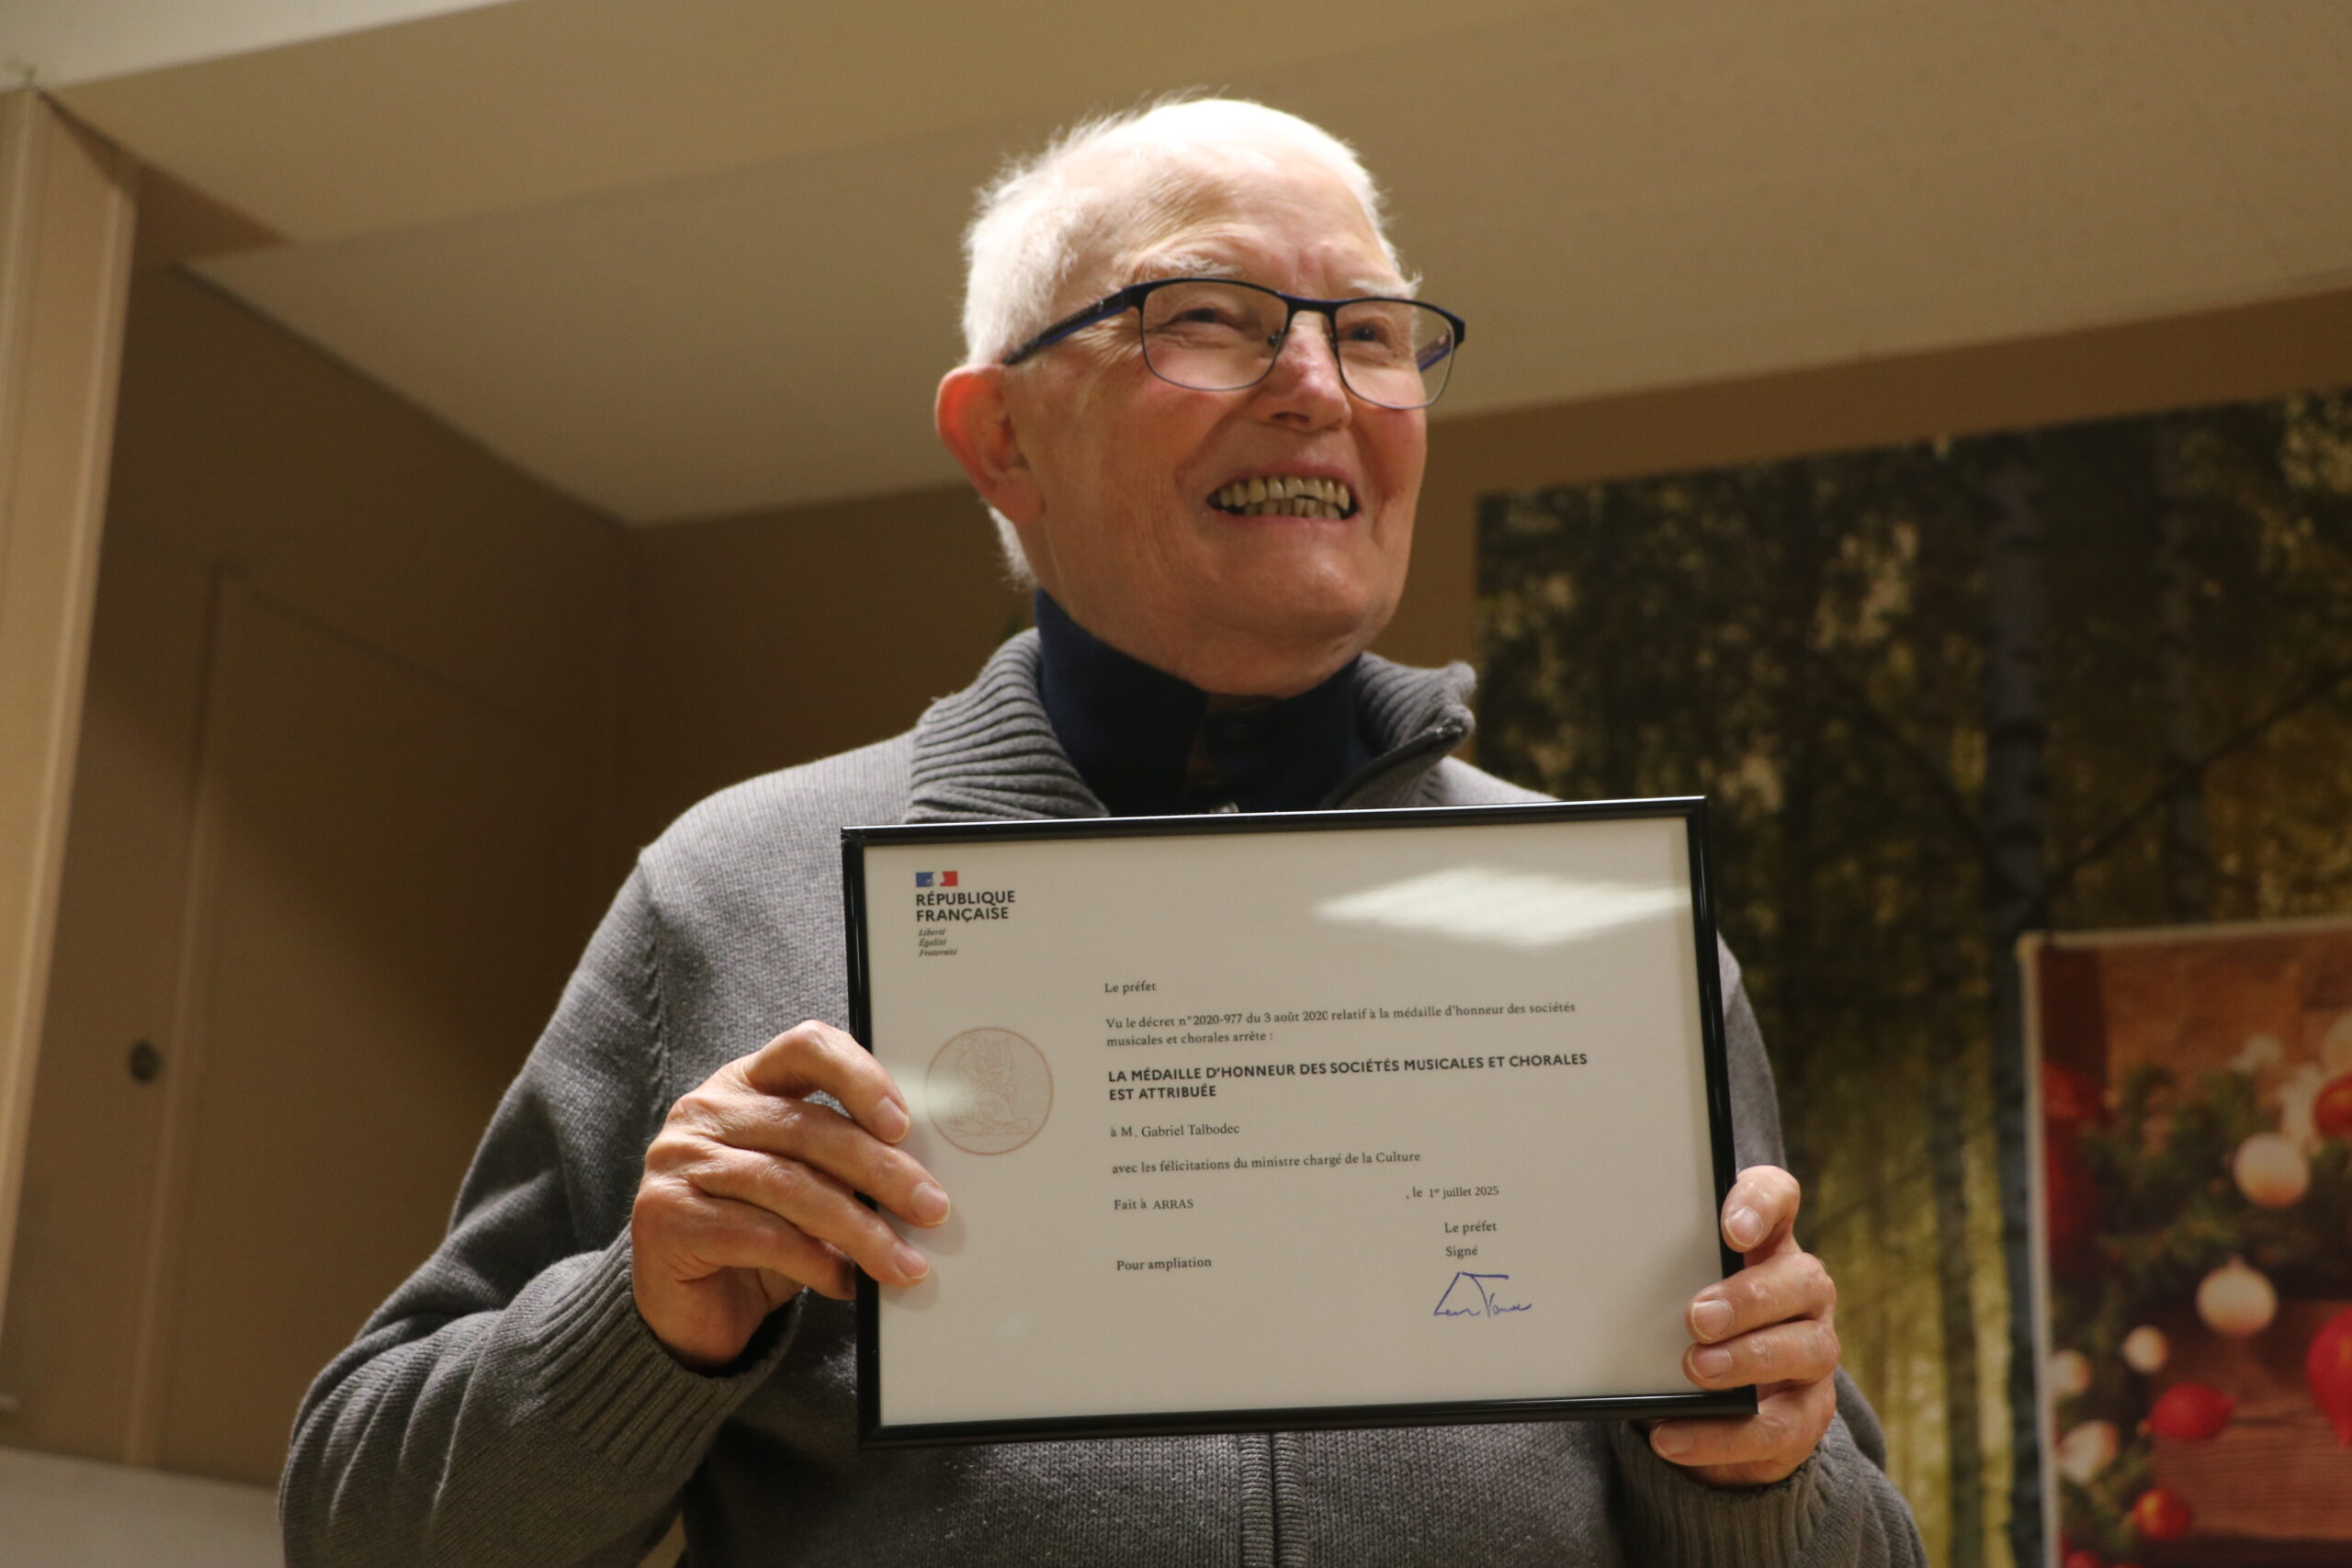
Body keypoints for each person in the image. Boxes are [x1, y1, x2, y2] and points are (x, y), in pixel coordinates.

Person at [282, 98, 1926, 1566]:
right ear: (1003, 440)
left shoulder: (1601, 933)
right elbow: (358, 1533)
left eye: (1369, 332)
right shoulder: (732, 892)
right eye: (1208, 318)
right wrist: (638, 1328)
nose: (1316, 385)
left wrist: (1764, 1471)